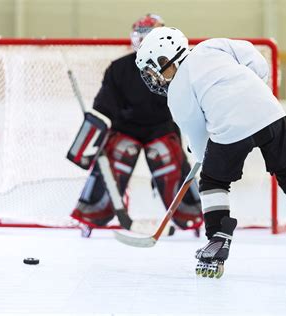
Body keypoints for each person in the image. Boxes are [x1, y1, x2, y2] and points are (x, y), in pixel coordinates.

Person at [135, 27, 286, 278]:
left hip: (231, 126)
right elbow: (256, 60)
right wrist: (247, 93)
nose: (155, 79)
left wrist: (203, 153)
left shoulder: (177, 92)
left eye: (153, 70)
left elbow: (200, 139)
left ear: (165, 58)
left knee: (214, 181)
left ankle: (217, 242)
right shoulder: (211, 46)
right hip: (271, 111)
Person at [70, 15, 203, 237]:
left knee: (166, 157)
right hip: (125, 129)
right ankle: (92, 214)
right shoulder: (119, 69)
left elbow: (185, 103)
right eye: (139, 35)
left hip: (161, 128)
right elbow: (104, 107)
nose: (142, 41)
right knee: (118, 154)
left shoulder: (174, 67)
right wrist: (91, 135)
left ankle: (192, 215)